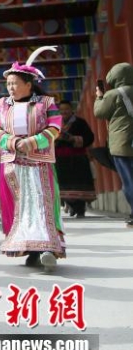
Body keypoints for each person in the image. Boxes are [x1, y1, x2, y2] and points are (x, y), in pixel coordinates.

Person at [0, 46, 65, 270]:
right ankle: (30, 250)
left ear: (28, 84)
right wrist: (11, 142)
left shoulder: (46, 103)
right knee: (20, 206)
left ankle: (48, 247)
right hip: (13, 162)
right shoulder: (1, 105)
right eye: (8, 84)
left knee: (42, 203)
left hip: (39, 162)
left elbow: (55, 127)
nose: (10, 87)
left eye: (15, 83)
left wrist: (31, 142)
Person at [93, 62, 133, 228]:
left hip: (122, 144)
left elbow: (99, 112)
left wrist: (99, 96)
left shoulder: (113, 94)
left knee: (129, 180)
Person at [55, 99, 95, 218]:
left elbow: (89, 137)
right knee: (63, 185)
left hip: (77, 159)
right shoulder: (54, 124)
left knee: (79, 184)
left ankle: (80, 208)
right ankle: (71, 206)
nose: (64, 112)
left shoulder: (80, 122)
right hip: (60, 159)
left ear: (71, 109)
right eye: (61, 110)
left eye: (66, 109)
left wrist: (73, 139)